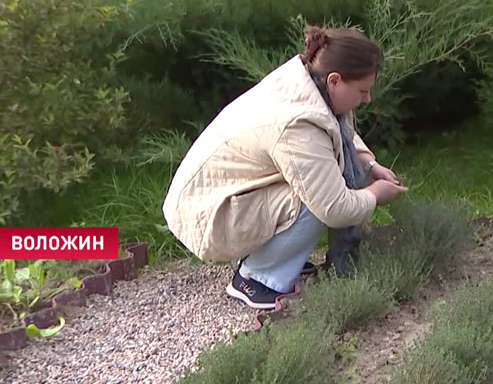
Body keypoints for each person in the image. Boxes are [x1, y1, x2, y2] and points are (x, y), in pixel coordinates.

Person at [162, 25, 408, 309]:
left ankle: (276, 258)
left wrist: (369, 164)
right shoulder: (300, 121)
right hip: (205, 214)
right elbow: (334, 208)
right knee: (318, 198)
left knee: (321, 181)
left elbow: (343, 136)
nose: (367, 99)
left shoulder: (311, 85)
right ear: (335, 80)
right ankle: (258, 279)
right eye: (363, 90)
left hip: (220, 195)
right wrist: (376, 194)